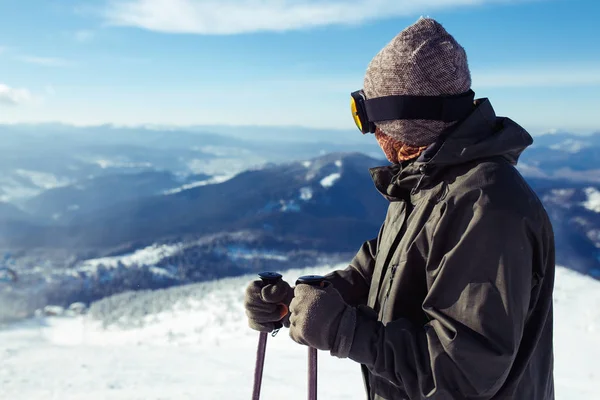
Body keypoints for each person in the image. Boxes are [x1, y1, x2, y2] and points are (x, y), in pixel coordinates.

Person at [244, 17, 555, 400]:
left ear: (405, 127)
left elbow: (463, 374)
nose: (371, 133)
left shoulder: (485, 205)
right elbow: (387, 264)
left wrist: (343, 329)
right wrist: (306, 301)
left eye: (368, 118)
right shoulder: (428, 181)